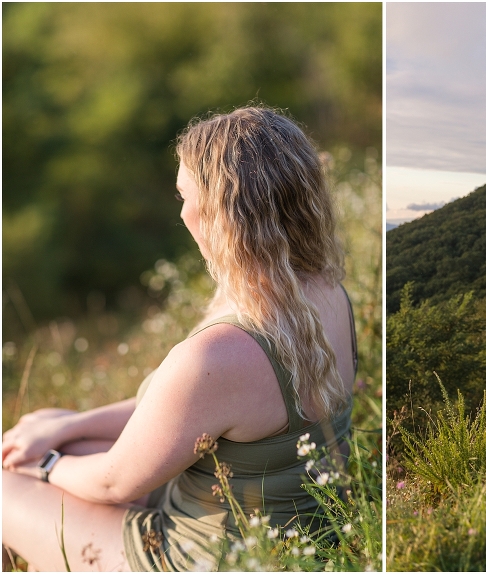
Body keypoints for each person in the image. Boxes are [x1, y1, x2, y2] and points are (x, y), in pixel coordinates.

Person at [2, 106, 357, 571]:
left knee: (7, 478)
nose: (184, 212)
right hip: (301, 531)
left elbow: (115, 484)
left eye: (185, 196)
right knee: (47, 421)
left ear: (224, 215)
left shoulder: (221, 350)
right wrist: (67, 428)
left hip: (214, 557)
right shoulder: (330, 294)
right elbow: (183, 413)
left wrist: (45, 465)